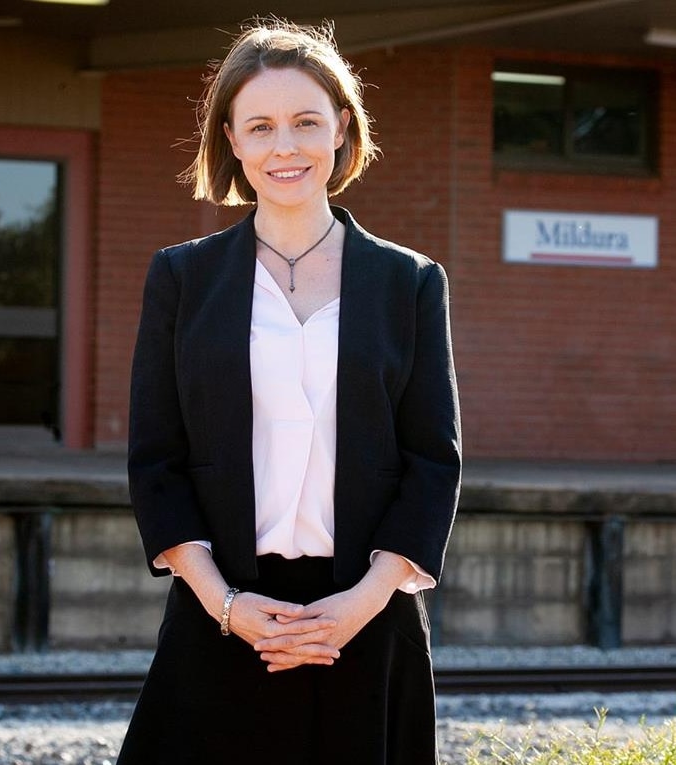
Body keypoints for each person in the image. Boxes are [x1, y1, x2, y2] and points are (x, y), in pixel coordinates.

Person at [118, 18, 461, 765]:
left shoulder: (410, 282)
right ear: (232, 142)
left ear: (341, 129)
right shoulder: (181, 278)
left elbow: (433, 461)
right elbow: (157, 459)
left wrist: (358, 606)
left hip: (366, 623)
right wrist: (228, 608)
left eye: (306, 122)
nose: (286, 146)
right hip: (222, 617)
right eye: (261, 126)